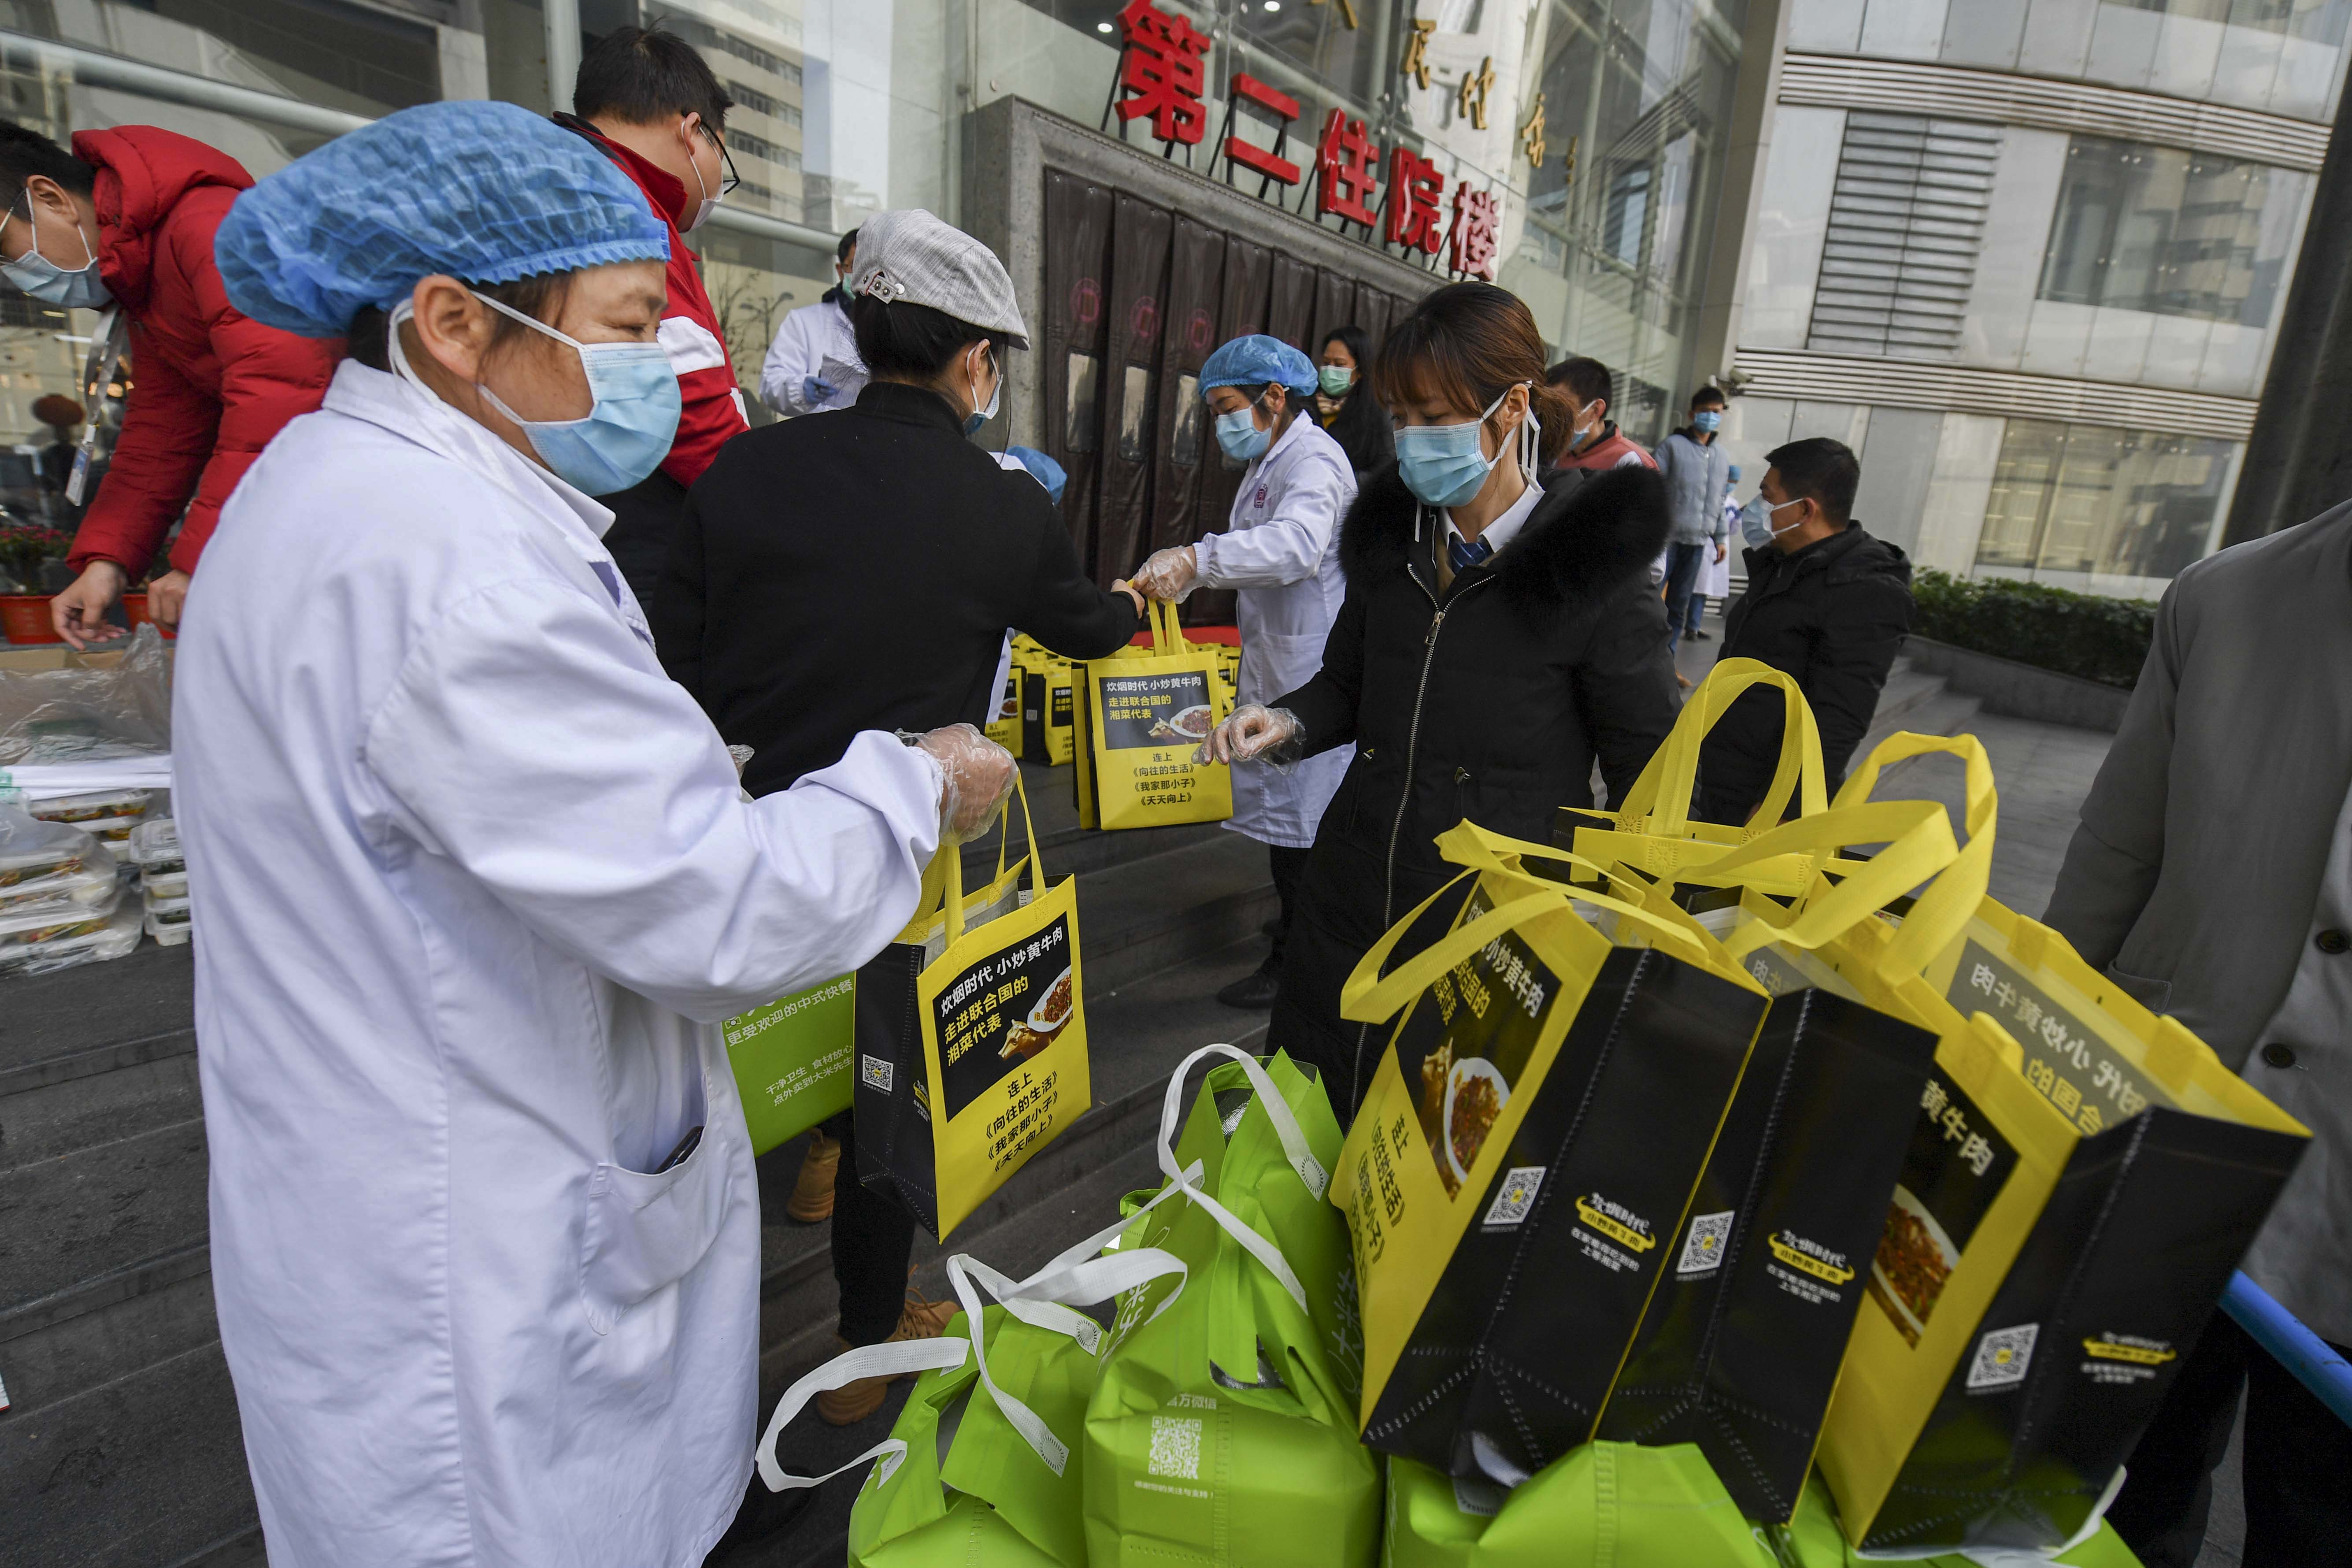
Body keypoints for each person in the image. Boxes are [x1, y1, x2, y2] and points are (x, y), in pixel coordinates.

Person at [191, 101, 1014, 1567]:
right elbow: (720, 908)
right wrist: (911, 778)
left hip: (406, 1167)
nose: (669, 365)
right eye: (631, 325)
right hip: (477, 1254)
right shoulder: (452, 565)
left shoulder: (330, 495)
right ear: (454, 321)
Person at [652, 208, 1144, 1423]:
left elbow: (676, 646)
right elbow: (1087, 628)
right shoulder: (1004, 502)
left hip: (748, 838)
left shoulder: (747, 464)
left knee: (736, 1078)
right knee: (894, 1082)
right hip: (902, 850)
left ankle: (771, 1217)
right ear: (976, 361)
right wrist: (1133, 599)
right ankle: (864, 1344)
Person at [1198, 283, 1678, 1115]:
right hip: (1350, 895)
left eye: (1433, 416)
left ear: (1511, 408)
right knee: (1312, 1131)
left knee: (1430, 1162)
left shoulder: (1589, 576)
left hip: (1486, 928)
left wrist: (1621, 934)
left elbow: (1651, 779)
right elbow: (1347, 682)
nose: (1412, 440)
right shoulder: (1392, 543)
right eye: (1400, 417)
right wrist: (1285, 719)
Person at [2042, 504, 2352, 1568]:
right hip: (2167, 1138)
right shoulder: (2229, 593)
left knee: (2318, 1519)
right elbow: (2112, 856)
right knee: (2107, 1487)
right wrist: (2030, 1071)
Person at [0, 120, 339, 647]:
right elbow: (164, 428)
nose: (12, 273)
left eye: (4, 248)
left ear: (50, 197)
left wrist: (203, 556)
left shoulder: (206, 224)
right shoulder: (145, 272)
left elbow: (282, 389)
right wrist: (107, 559)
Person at [1130, 334, 1358, 1010]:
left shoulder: (1313, 459)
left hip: (1310, 670)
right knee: (1291, 828)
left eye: (1227, 406)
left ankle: (1295, 959)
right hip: (1279, 663)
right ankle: (1295, 928)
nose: (1220, 423)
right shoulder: (1271, 461)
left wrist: (1197, 560)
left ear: (1275, 397)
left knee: (1304, 830)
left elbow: (1296, 545)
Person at [552, 24, 752, 601]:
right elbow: (688, 404)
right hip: (634, 530)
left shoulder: (580, 180)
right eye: (722, 151)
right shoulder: (622, 207)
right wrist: (762, 494)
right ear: (693, 132)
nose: (717, 178)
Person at [1696, 438, 1912, 824]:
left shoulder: (1864, 588)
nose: (1753, 508)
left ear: (1805, 509)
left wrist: (1784, 806)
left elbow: (1839, 716)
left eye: (1766, 495)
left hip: (1765, 799)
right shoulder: (1781, 563)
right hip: (1719, 774)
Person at [1654, 386, 1731, 657]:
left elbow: (1720, 498)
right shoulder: (1672, 447)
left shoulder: (1721, 455)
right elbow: (1653, 488)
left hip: (1697, 542)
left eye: (1716, 412)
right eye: (1705, 411)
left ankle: (1668, 661)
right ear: (1691, 414)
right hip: (1667, 540)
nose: (1711, 416)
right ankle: (1641, 657)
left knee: (1679, 606)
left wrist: (1720, 537)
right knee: (1651, 602)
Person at [761, 227, 863, 415]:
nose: (863, 277)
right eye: (855, 265)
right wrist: (801, 389)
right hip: (823, 437)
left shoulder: (896, 325)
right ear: (840, 271)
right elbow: (771, 384)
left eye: (869, 267)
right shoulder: (804, 322)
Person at [1543, 355, 1656, 473]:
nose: (1554, 417)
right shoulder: (1558, 455)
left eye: (1561, 407)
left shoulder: (1629, 461)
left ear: (1596, 409)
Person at [1313, 323, 1393, 482]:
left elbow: (1385, 467)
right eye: (1326, 362)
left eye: (1340, 364)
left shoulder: (1377, 412)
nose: (1330, 369)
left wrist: (1340, 482)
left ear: (1360, 370)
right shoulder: (1307, 405)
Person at [1689, 460, 1739, 641]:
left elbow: (1732, 530)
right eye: (1729, 480)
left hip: (1717, 550)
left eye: (1734, 482)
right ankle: (1682, 626)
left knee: (1703, 591)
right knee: (1688, 589)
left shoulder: (1732, 502)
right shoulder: (1709, 496)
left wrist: (1738, 517)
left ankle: (1694, 626)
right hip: (1700, 546)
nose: (1730, 485)